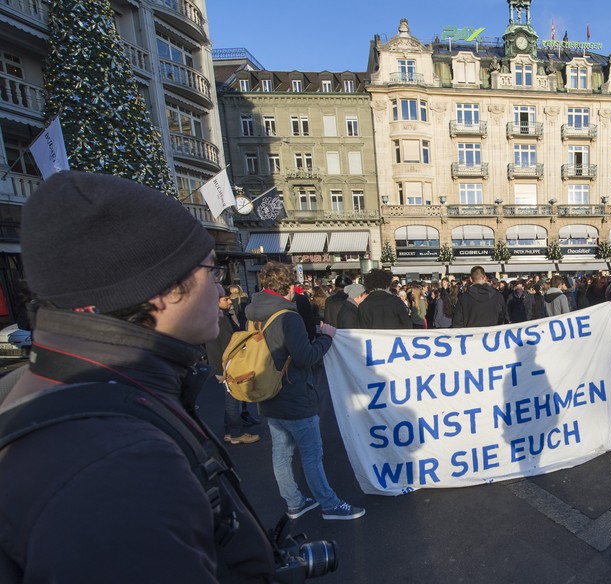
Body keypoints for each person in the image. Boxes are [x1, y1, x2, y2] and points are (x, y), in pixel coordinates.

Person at [0, 171, 275, 581]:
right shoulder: (119, 463)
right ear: (160, 286)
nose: (221, 291)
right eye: (211, 270)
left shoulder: (47, 389)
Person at [247, 261, 365, 520]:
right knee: (312, 454)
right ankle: (330, 504)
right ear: (290, 287)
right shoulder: (288, 316)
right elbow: (305, 356)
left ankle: (294, 502)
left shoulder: (254, 314)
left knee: (281, 453)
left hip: (269, 393)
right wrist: (327, 337)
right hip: (295, 395)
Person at [203, 287, 260, 444]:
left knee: (232, 398)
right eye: (225, 299)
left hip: (222, 364)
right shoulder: (219, 318)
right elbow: (227, 345)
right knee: (233, 399)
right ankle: (236, 433)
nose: (230, 301)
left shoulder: (216, 316)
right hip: (226, 365)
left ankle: (230, 430)